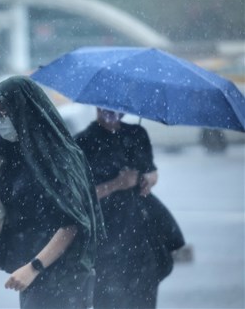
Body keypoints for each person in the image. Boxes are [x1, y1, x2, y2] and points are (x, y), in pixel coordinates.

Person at [0, 76, 105, 309]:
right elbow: (33, 215)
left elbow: (72, 223)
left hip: (65, 278)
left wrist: (33, 267)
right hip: (36, 277)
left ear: (25, 110)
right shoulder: (20, 159)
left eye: (7, 110)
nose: (2, 120)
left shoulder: (59, 157)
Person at [75, 108, 180, 309]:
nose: (111, 112)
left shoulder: (137, 134)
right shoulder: (83, 142)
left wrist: (146, 180)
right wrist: (117, 184)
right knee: (109, 299)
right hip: (105, 240)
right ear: (96, 106)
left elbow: (152, 172)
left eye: (116, 107)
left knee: (144, 298)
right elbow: (80, 197)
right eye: (104, 106)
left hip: (140, 235)